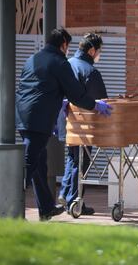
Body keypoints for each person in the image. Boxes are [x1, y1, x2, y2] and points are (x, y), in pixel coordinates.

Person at [15, 28, 112, 221]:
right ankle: (11, 208)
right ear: (64, 45)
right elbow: (76, 94)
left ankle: (46, 208)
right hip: (39, 120)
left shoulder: (32, 59)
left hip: (23, 117)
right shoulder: (60, 63)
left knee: (39, 165)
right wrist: (95, 105)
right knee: (28, 164)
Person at [57, 33, 107, 215]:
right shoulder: (90, 71)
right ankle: (75, 200)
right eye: (99, 51)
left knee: (72, 158)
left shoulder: (67, 64)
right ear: (92, 50)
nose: (99, 54)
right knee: (81, 161)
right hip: (84, 124)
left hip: (66, 121)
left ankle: (66, 193)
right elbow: (100, 100)